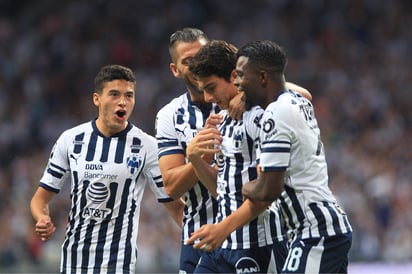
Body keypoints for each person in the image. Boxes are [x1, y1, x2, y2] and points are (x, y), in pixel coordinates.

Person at [188, 40, 353, 274]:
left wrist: (243, 199)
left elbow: (267, 193)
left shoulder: (266, 114)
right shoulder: (225, 120)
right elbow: (229, 187)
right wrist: (195, 159)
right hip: (302, 229)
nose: (207, 98)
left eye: (212, 87)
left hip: (288, 236)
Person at [30, 64, 184, 274]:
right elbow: (40, 199)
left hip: (118, 264)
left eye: (129, 96)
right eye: (114, 94)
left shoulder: (147, 146)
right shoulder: (71, 140)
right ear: (97, 99)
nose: (123, 101)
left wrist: (200, 236)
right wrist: (41, 218)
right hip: (73, 263)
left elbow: (174, 205)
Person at [156, 28, 245, 273]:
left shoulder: (242, 95)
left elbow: (300, 95)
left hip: (250, 232)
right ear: (175, 70)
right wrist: (201, 155)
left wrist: (248, 94)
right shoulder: (170, 116)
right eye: (187, 62)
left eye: (201, 56)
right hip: (199, 236)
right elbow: (172, 186)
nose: (196, 66)